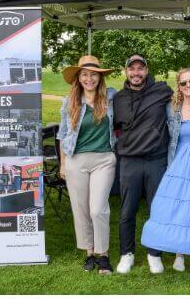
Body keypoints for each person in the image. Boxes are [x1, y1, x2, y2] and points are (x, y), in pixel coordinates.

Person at [141, 68, 190, 274]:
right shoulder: (172, 108)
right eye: (183, 83)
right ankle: (178, 253)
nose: (188, 86)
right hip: (178, 163)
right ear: (178, 86)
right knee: (171, 207)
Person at [111, 54, 174, 274]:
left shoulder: (162, 92)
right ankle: (126, 254)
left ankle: (154, 253)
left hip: (156, 159)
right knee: (127, 210)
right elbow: (113, 127)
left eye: (140, 68)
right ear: (126, 71)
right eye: (132, 69)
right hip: (129, 161)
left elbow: (186, 104)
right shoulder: (118, 98)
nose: (136, 73)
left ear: (146, 71)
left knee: (157, 210)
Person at [56, 55, 118, 274]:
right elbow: (63, 135)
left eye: (93, 74)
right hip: (76, 160)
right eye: (84, 74)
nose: (89, 78)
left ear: (100, 77)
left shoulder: (111, 97)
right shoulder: (69, 101)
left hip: (104, 159)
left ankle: (104, 255)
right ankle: (89, 253)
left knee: (98, 209)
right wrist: (63, 165)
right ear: (78, 78)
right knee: (81, 209)